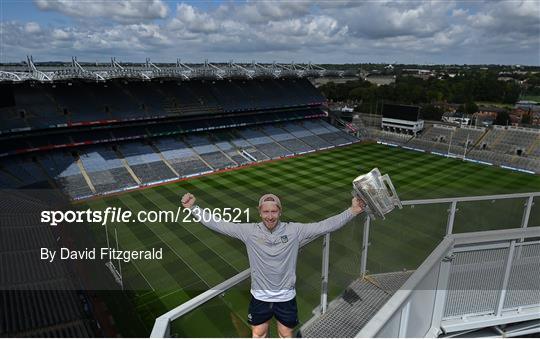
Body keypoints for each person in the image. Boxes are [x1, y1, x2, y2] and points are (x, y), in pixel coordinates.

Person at [181, 192, 365, 338]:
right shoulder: (248, 231)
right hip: (260, 296)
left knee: (286, 334)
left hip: (286, 296)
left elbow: (326, 225)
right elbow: (217, 224)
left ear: (280, 211)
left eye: (274, 211)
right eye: (266, 212)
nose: (270, 216)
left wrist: (353, 211)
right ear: (259, 211)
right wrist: (193, 208)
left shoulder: (295, 230)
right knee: (259, 334)